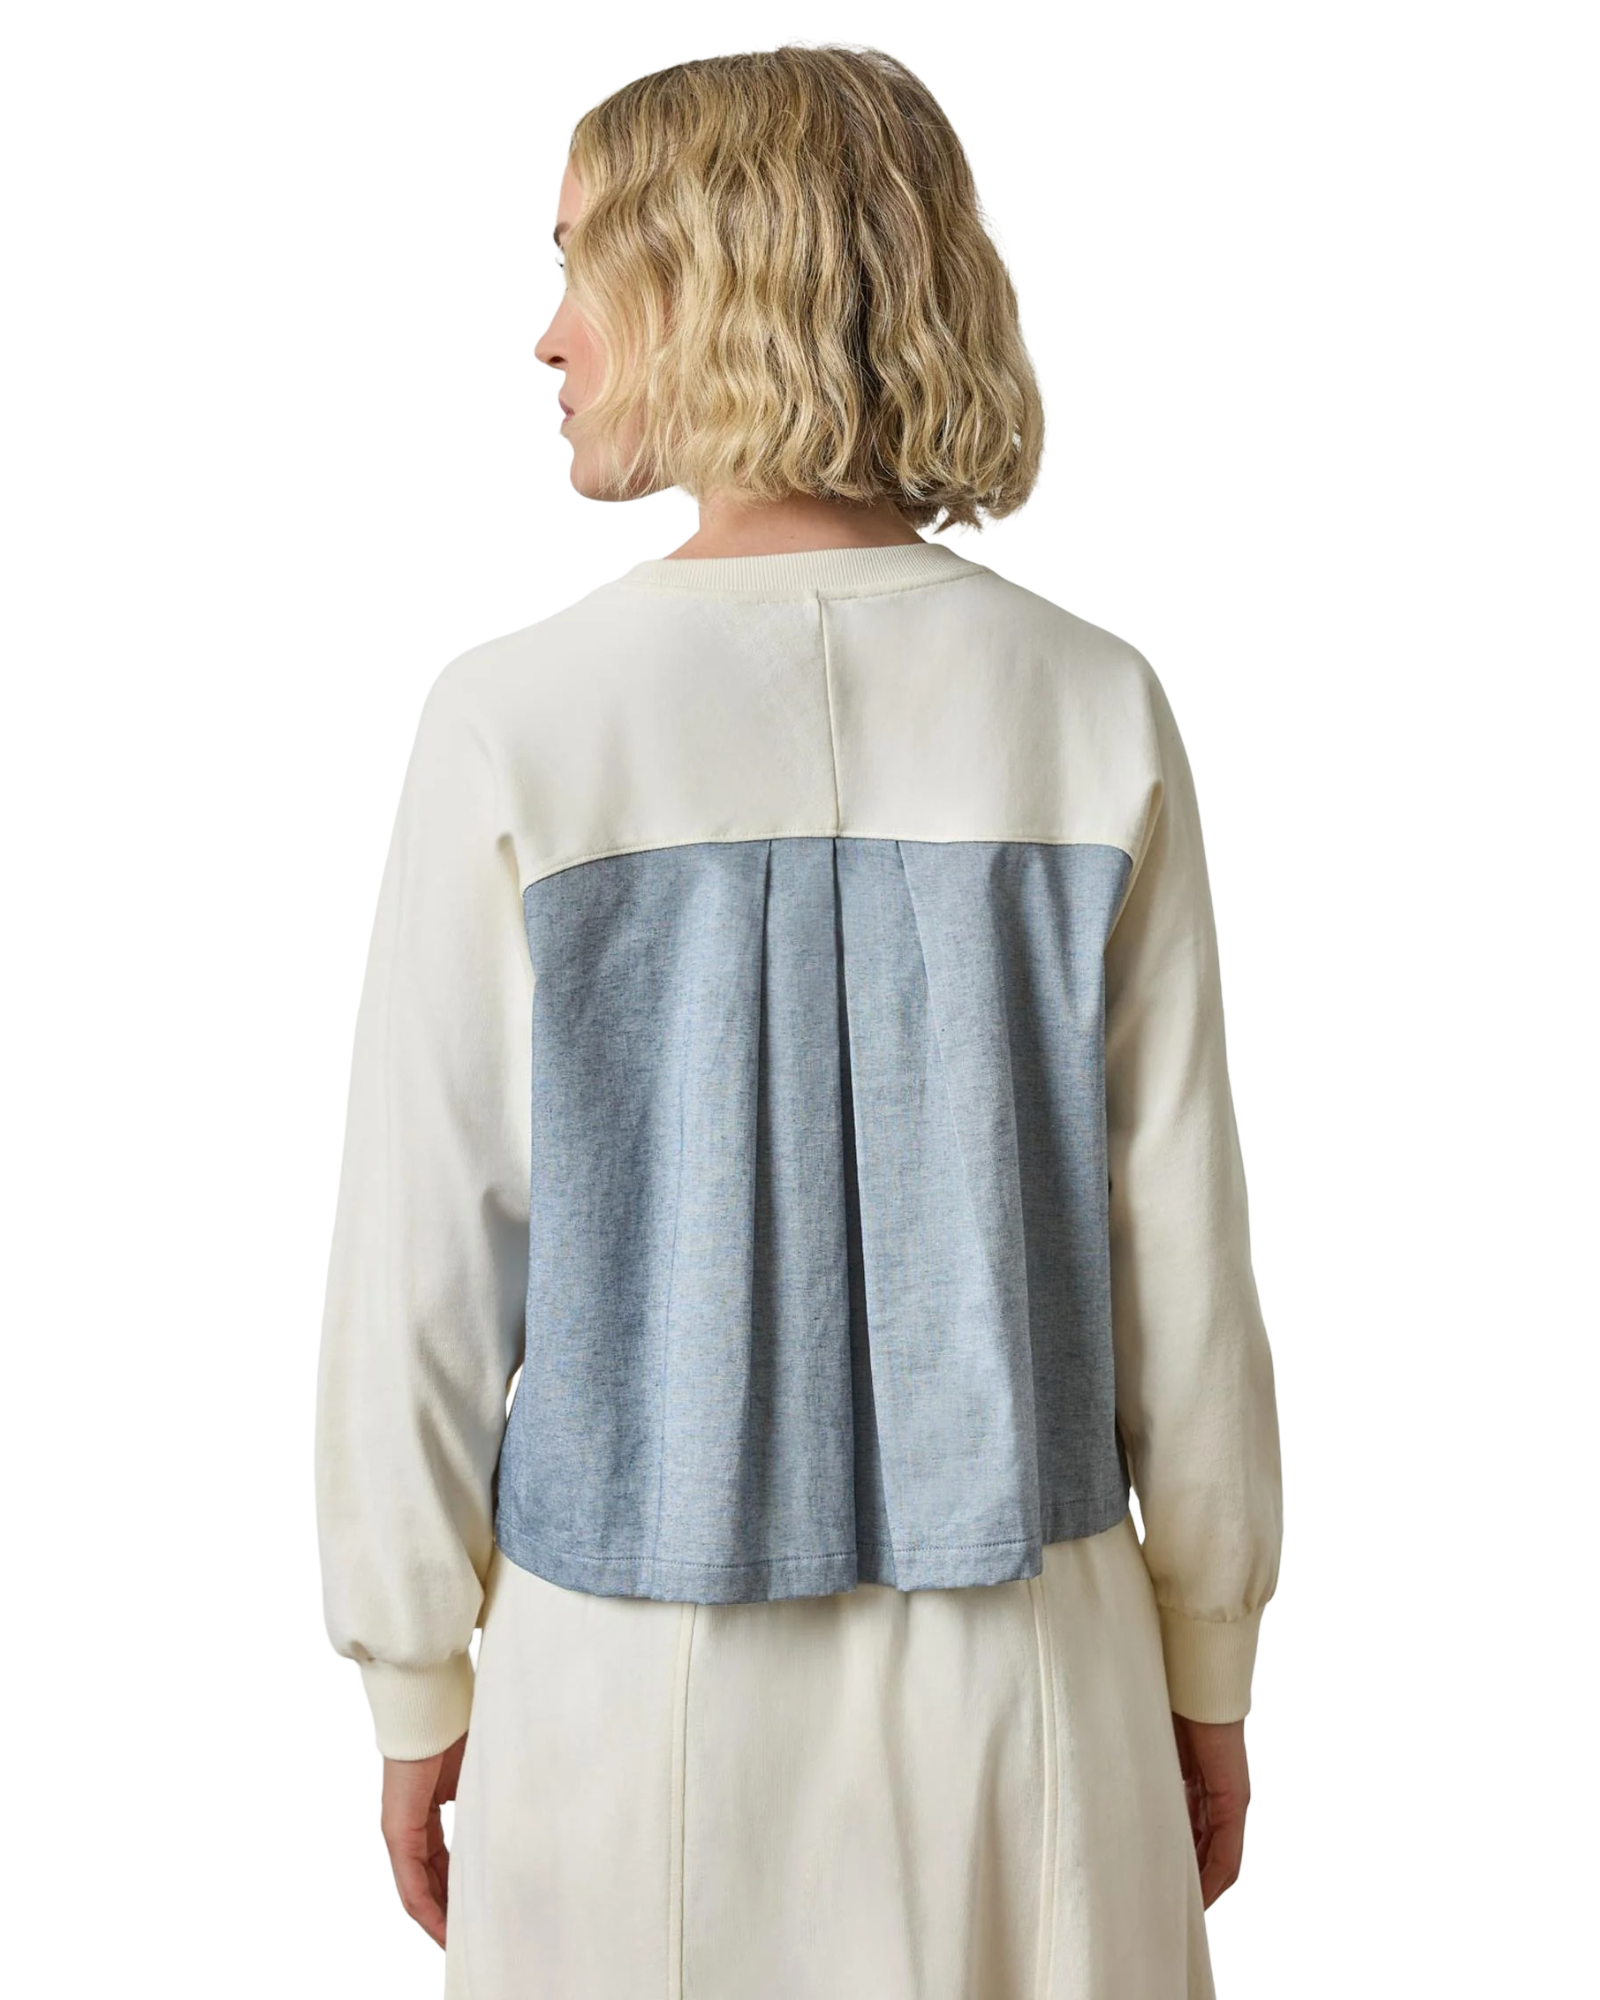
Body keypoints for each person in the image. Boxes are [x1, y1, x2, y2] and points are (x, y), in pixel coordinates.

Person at [314, 42, 1283, 2000]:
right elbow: (1179, 1259)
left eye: (580, 264)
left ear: (710, 277)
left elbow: (424, 1259)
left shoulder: (518, 721)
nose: (546, 336)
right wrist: (1203, 1661)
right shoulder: (1086, 704)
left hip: (623, 1699)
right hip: (1036, 1681)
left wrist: (412, 1671)